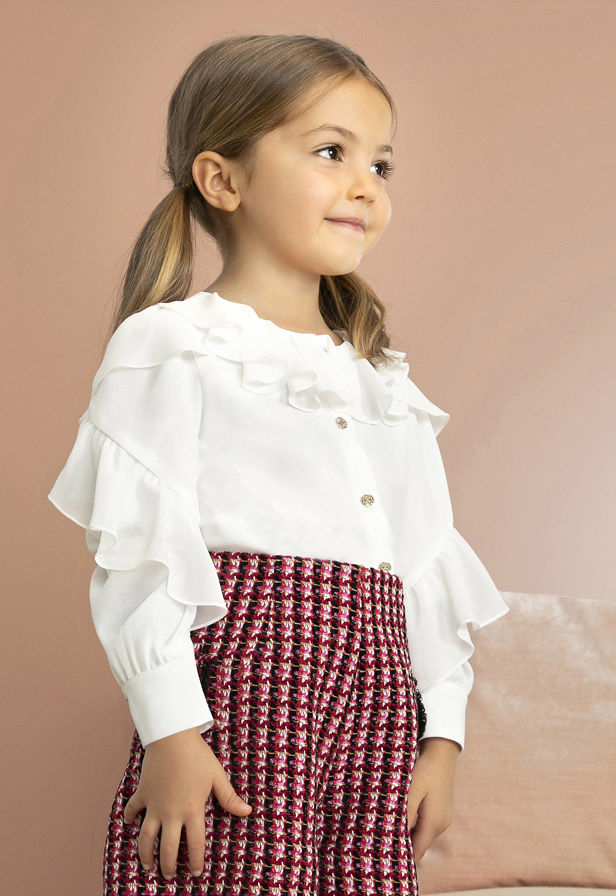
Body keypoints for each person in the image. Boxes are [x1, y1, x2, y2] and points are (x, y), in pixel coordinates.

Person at [48, 33, 509, 896]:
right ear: (223, 179)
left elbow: (423, 561)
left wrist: (441, 734)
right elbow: (141, 555)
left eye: (381, 164)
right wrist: (173, 731)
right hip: (249, 690)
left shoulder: (381, 378)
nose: (365, 184)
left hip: (379, 704)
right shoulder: (173, 345)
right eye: (332, 152)